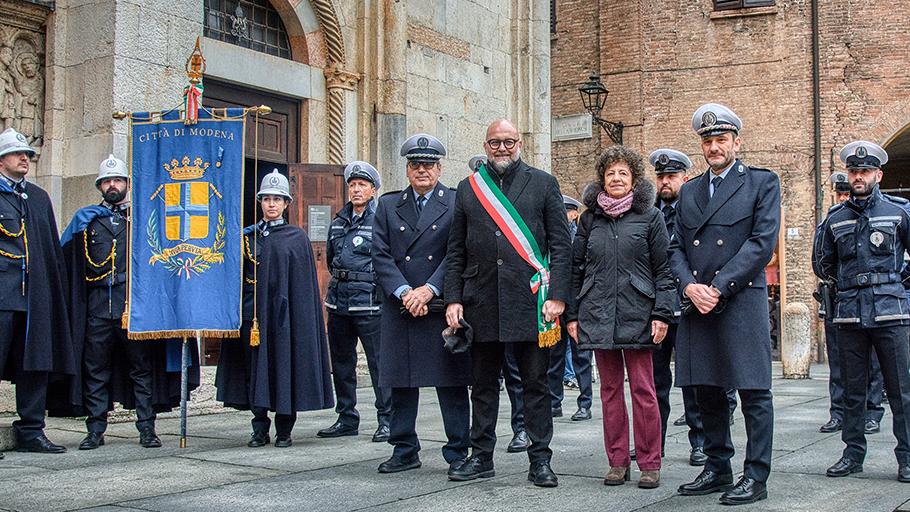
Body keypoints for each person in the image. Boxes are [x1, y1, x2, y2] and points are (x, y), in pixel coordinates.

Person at [445, 119, 572, 488]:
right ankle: (481, 456)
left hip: (531, 302)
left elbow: (561, 247)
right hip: (481, 300)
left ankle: (540, 460)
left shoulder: (544, 183)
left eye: (509, 142)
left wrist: (560, 296)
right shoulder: (469, 188)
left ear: (520, 143)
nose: (502, 148)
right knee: (482, 386)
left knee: (536, 385)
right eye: (495, 142)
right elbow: (456, 250)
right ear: (485, 145)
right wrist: (453, 298)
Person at [670, 104, 780, 505]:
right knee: (706, 389)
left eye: (721, 140)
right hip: (697, 302)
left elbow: (761, 243)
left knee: (754, 392)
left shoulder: (761, 183)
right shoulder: (690, 191)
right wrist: (688, 287)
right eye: (708, 141)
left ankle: (756, 475)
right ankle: (717, 467)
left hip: (739, 300)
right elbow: (675, 247)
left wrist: (718, 286)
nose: (714, 147)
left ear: (737, 142)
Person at [62, 154, 194, 450]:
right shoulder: (88, 220)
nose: (112, 185)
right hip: (97, 307)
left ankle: (147, 429)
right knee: (95, 371)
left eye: (117, 180)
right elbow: (66, 260)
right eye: (107, 181)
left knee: (142, 370)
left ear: (128, 184)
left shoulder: (141, 220)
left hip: (133, 309)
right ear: (100, 186)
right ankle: (95, 429)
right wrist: (74, 231)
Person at [565, 145, 672, 489]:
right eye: (610, 173)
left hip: (639, 314)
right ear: (601, 179)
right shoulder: (589, 219)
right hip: (596, 313)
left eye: (622, 173)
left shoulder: (650, 217)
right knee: (610, 390)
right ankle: (616, 461)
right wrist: (571, 314)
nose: (615, 178)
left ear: (634, 179)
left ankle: (650, 462)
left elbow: (664, 270)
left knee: (644, 390)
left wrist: (662, 314)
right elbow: (575, 268)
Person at [372, 133, 471, 475]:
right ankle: (404, 448)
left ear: (439, 168)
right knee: (400, 380)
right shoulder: (387, 204)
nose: (422, 170)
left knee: (451, 382)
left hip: (440, 303)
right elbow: (380, 256)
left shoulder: (456, 202)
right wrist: (403, 291)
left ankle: (458, 449)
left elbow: (458, 252)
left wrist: (429, 289)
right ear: (408, 169)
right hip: (401, 304)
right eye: (415, 164)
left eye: (428, 164)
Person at [215, 169, 334, 448]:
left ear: (286, 204)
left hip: (283, 319)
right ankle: (259, 429)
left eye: (277, 199)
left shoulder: (296, 238)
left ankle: (284, 429)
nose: (271, 204)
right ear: (260, 202)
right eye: (266, 199)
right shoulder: (247, 237)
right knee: (255, 371)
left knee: (283, 369)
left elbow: (302, 289)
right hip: (253, 318)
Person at [814, 141, 910, 483]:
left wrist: (898, 289)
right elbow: (822, 262)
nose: (858, 177)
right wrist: (845, 286)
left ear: (878, 175)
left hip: (890, 312)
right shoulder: (835, 219)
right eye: (854, 171)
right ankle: (852, 455)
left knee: (901, 392)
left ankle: (907, 458)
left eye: (865, 171)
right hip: (851, 315)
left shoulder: (900, 212)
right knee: (853, 391)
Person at [0, 127, 74, 456]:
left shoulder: (39, 198)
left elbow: (51, 252)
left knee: (35, 365)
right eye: (18, 154)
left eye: (27, 154)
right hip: (2, 295)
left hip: (35, 298)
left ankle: (31, 430)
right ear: (2, 160)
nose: (25, 159)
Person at [317, 161, 392, 443]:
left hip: (370, 304)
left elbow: (387, 260)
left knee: (378, 365)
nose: (356, 189)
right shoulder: (338, 222)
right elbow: (330, 256)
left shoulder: (380, 220)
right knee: (342, 363)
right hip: (339, 302)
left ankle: (387, 419)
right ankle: (346, 416)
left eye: (362, 185)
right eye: (352, 185)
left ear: (373, 190)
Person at [647, 148, 708, 467]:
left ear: (685, 177)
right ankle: (654, 445)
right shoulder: (647, 213)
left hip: (686, 308)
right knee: (655, 383)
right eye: (660, 177)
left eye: (671, 176)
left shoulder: (697, 212)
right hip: (656, 309)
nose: (665, 182)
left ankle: (698, 442)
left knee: (692, 381)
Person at [815, 171, 886, 436]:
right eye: (841, 193)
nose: (845, 197)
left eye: (847, 192)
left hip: (876, 301)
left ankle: (872, 411)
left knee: (874, 364)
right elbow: (820, 259)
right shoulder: (833, 218)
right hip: (840, 301)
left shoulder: (885, 213)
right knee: (839, 364)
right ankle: (838, 412)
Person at [548, 194, 593, 421]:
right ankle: (554, 402)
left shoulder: (581, 237)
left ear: (575, 213)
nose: (562, 215)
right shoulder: (552, 237)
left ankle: (585, 403)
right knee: (554, 357)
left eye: (566, 211)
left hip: (578, 304)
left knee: (581, 356)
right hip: (557, 304)